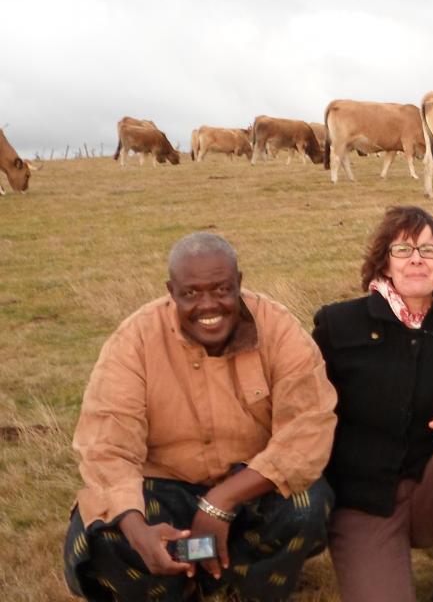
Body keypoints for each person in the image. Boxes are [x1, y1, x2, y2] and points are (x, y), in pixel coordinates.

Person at [63, 232, 337, 601]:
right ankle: (175, 584)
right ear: (171, 292)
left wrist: (221, 501)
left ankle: (238, 585)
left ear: (239, 283)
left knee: (307, 506)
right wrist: (137, 528)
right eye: (191, 294)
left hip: (249, 487)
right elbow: (107, 448)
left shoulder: (280, 329)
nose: (208, 306)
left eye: (222, 289)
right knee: (101, 532)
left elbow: (308, 431)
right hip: (163, 490)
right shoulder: (134, 341)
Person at [313, 206, 433, 602]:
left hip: (432, 497)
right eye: (403, 249)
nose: (416, 259)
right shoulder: (337, 326)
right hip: (364, 503)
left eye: (429, 251)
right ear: (384, 262)